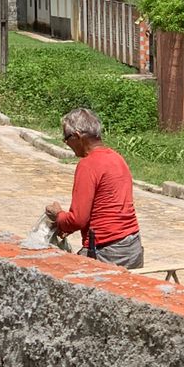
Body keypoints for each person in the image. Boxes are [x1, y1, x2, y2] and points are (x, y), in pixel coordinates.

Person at [45, 108, 143, 268]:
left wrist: (58, 216)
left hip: (106, 251)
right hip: (132, 246)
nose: (66, 143)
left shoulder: (88, 164)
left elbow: (78, 219)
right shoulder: (116, 157)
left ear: (77, 136)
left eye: (66, 138)